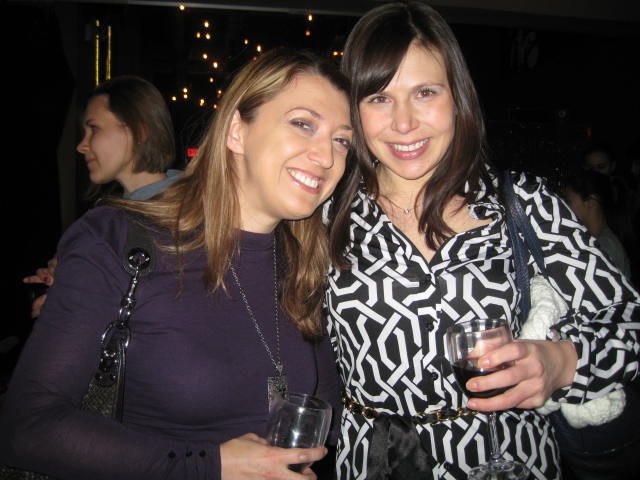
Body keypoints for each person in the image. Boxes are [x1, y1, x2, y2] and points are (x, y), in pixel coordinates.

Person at [0, 47, 352, 480]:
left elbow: (328, 416)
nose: (327, 156)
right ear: (237, 131)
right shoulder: (116, 239)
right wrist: (210, 465)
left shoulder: (305, 265)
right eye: (303, 124)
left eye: (342, 140)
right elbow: (27, 427)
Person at [324, 2, 640, 479]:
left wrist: (563, 362)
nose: (404, 123)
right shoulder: (325, 217)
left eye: (425, 92)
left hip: (511, 461)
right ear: (355, 108)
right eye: (379, 98)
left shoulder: (524, 203)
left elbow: (626, 321)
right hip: (375, 463)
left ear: (457, 96)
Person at [22, 75, 183, 319]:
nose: (81, 145)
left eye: (93, 129)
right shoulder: (118, 217)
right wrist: (72, 276)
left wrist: (79, 298)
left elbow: (173, 309)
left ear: (138, 132)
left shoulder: (186, 213)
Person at [559, 169, 631, 278]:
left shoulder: (605, 246)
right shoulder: (594, 240)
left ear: (591, 202)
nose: (564, 206)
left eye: (568, 201)